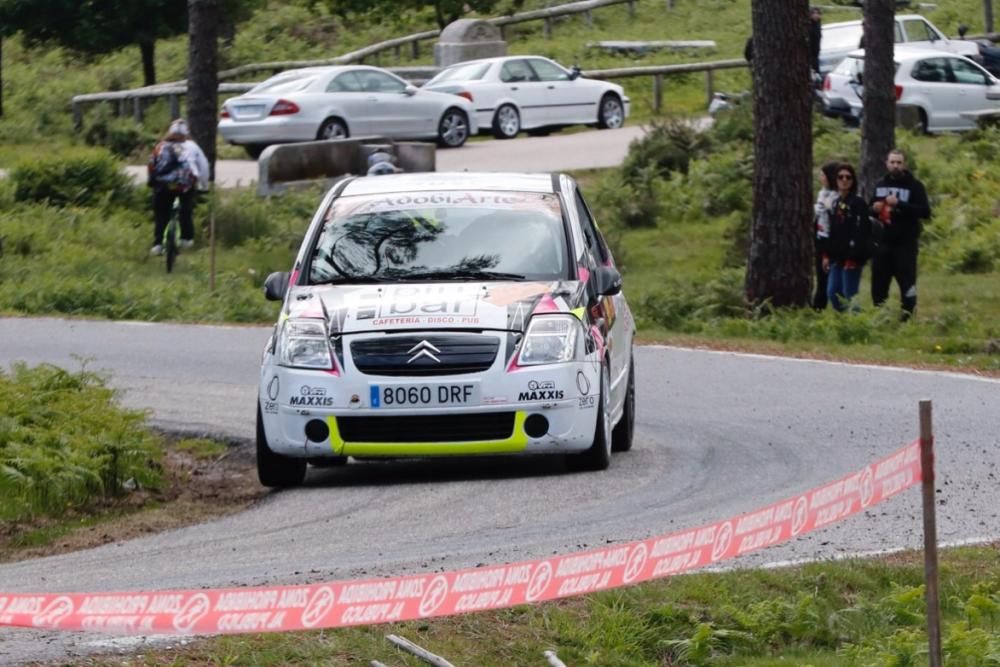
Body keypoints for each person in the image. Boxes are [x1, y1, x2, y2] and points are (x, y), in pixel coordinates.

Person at [870, 149, 931, 319]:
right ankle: (880, 316)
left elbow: (925, 212)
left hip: (905, 244)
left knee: (907, 283)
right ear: (887, 164)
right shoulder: (879, 184)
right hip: (882, 244)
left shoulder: (915, 186)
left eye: (899, 162)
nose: (895, 166)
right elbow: (870, 210)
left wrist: (900, 204)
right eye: (892, 162)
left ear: (904, 165)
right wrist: (873, 209)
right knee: (879, 284)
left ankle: (907, 317)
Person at [147, 118, 210, 255]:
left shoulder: (160, 146)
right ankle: (186, 240)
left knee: (161, 214)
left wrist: (152, 182)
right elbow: (204, 167)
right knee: (186, 210)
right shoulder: (192, 146)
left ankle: (157, 244)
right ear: (186, 133)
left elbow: (152, 164)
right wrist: (204, 186)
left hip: (162, 185)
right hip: (185, 185)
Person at [823, 162, 871, 312]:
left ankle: (858, 324)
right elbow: (831, 231)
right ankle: (846, 322)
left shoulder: (858, 203)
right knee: (832, 293)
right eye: (840, 177)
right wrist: (826, 255)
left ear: (853, 180)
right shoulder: (835, 203)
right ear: (835, 180)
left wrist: (854, 256)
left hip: (852, 258)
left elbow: (862, 231)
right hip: (837, 257)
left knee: (850, 295)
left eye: (848, 177)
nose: (844, 180)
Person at [812, 161, 840, 310]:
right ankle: (818, 308)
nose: (820, 177)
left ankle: (822, 308)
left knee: (828, 280)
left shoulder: (836, 197)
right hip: (820, 237)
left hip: (831, 240)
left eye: (823, 174)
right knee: (821, 279)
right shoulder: (822, 193)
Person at [809, 7, 823, 75]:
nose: (816, 15)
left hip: (816, 54)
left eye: (817, 13)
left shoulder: (818, 25)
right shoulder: (809, 25)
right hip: (810, 54)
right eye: (814, 13)